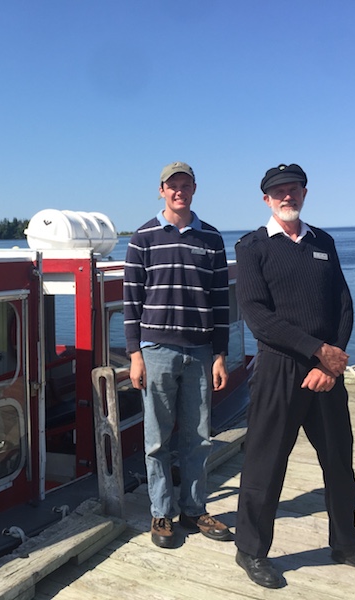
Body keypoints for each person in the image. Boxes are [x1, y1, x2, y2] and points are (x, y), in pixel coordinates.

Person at [233, 164, 355, 588]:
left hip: (326, 371)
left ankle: (346, 543)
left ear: (304, 193)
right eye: (277, 192)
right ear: (266, 200)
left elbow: (343, 302)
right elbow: (256, 314)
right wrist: (316, 351)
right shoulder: (252, 246)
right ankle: (251, 551)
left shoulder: (322, 242)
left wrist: (331, 360)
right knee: (265, 463)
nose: (286, 196)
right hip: (278, 368)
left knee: (339, 462)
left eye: (292, 189)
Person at [124, 161, 233, 548]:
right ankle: (160, 513)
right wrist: (134, 354)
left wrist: (220, 354)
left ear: (194, 189)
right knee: (156, 440)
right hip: (156, 351)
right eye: (172, 186)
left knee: (199, 436)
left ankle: (193, 509)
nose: (178, 191)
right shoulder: (143, 238)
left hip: (201, 351)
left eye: (185, 185)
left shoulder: (213, 240)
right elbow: (131, 302)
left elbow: (221, 303)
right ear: (161, 190)